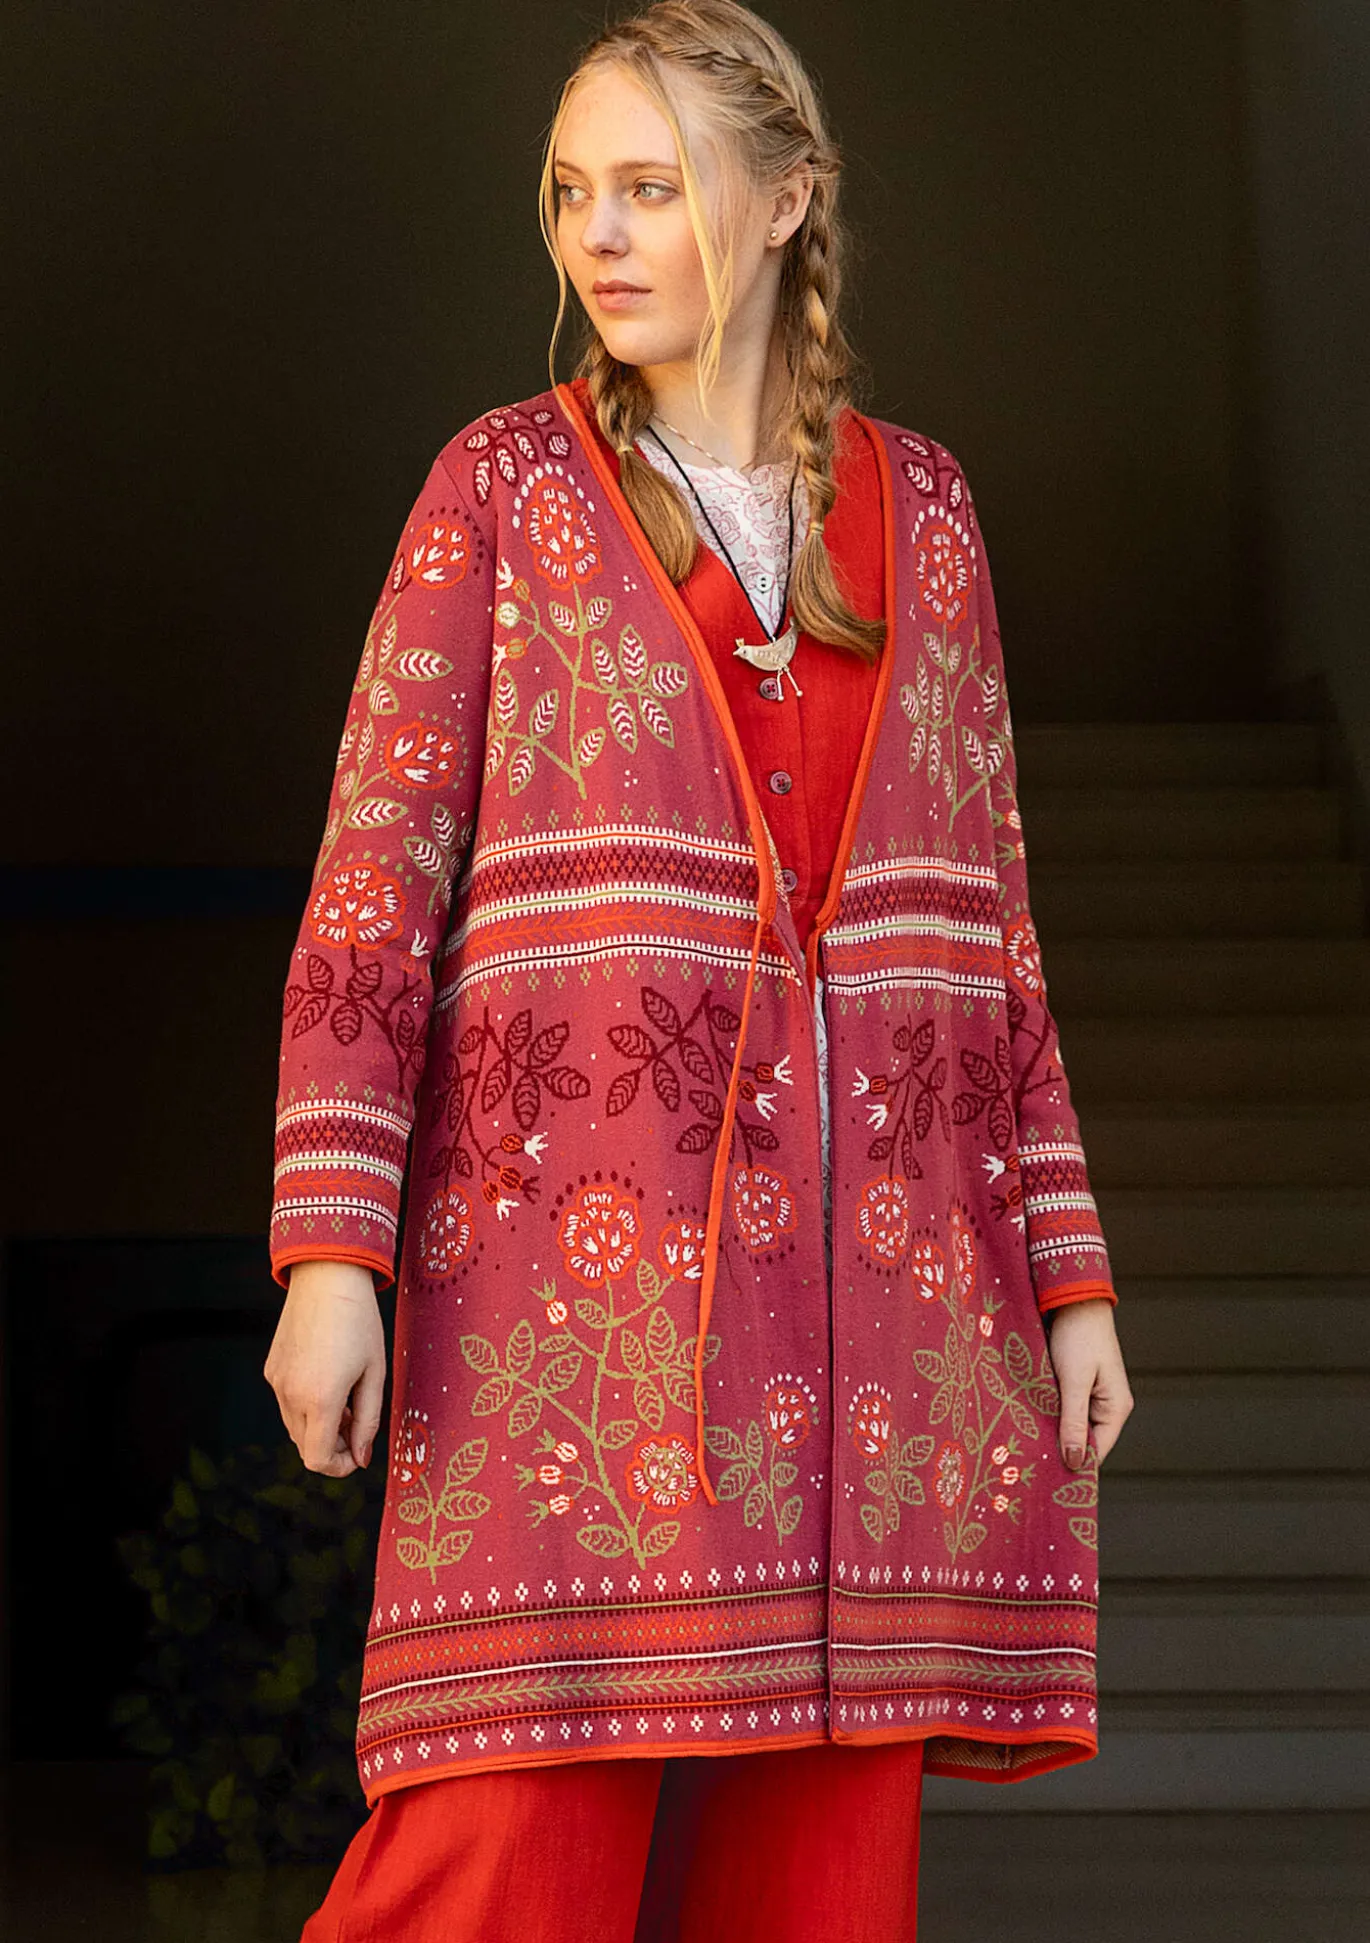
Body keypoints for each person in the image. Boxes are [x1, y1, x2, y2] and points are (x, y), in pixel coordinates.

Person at [263, 3, 1135, 1937]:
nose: (599, 233)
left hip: (878, 1328)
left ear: (788, 195)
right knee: (497, 1871)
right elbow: (371, 886)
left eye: (649, 187)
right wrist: (332, 1255)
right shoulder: (500, 488)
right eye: (572, 192)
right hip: (572, 1314)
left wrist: (1064, 1275)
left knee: (815, 1892)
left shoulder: (926, 514)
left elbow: (992, 928)